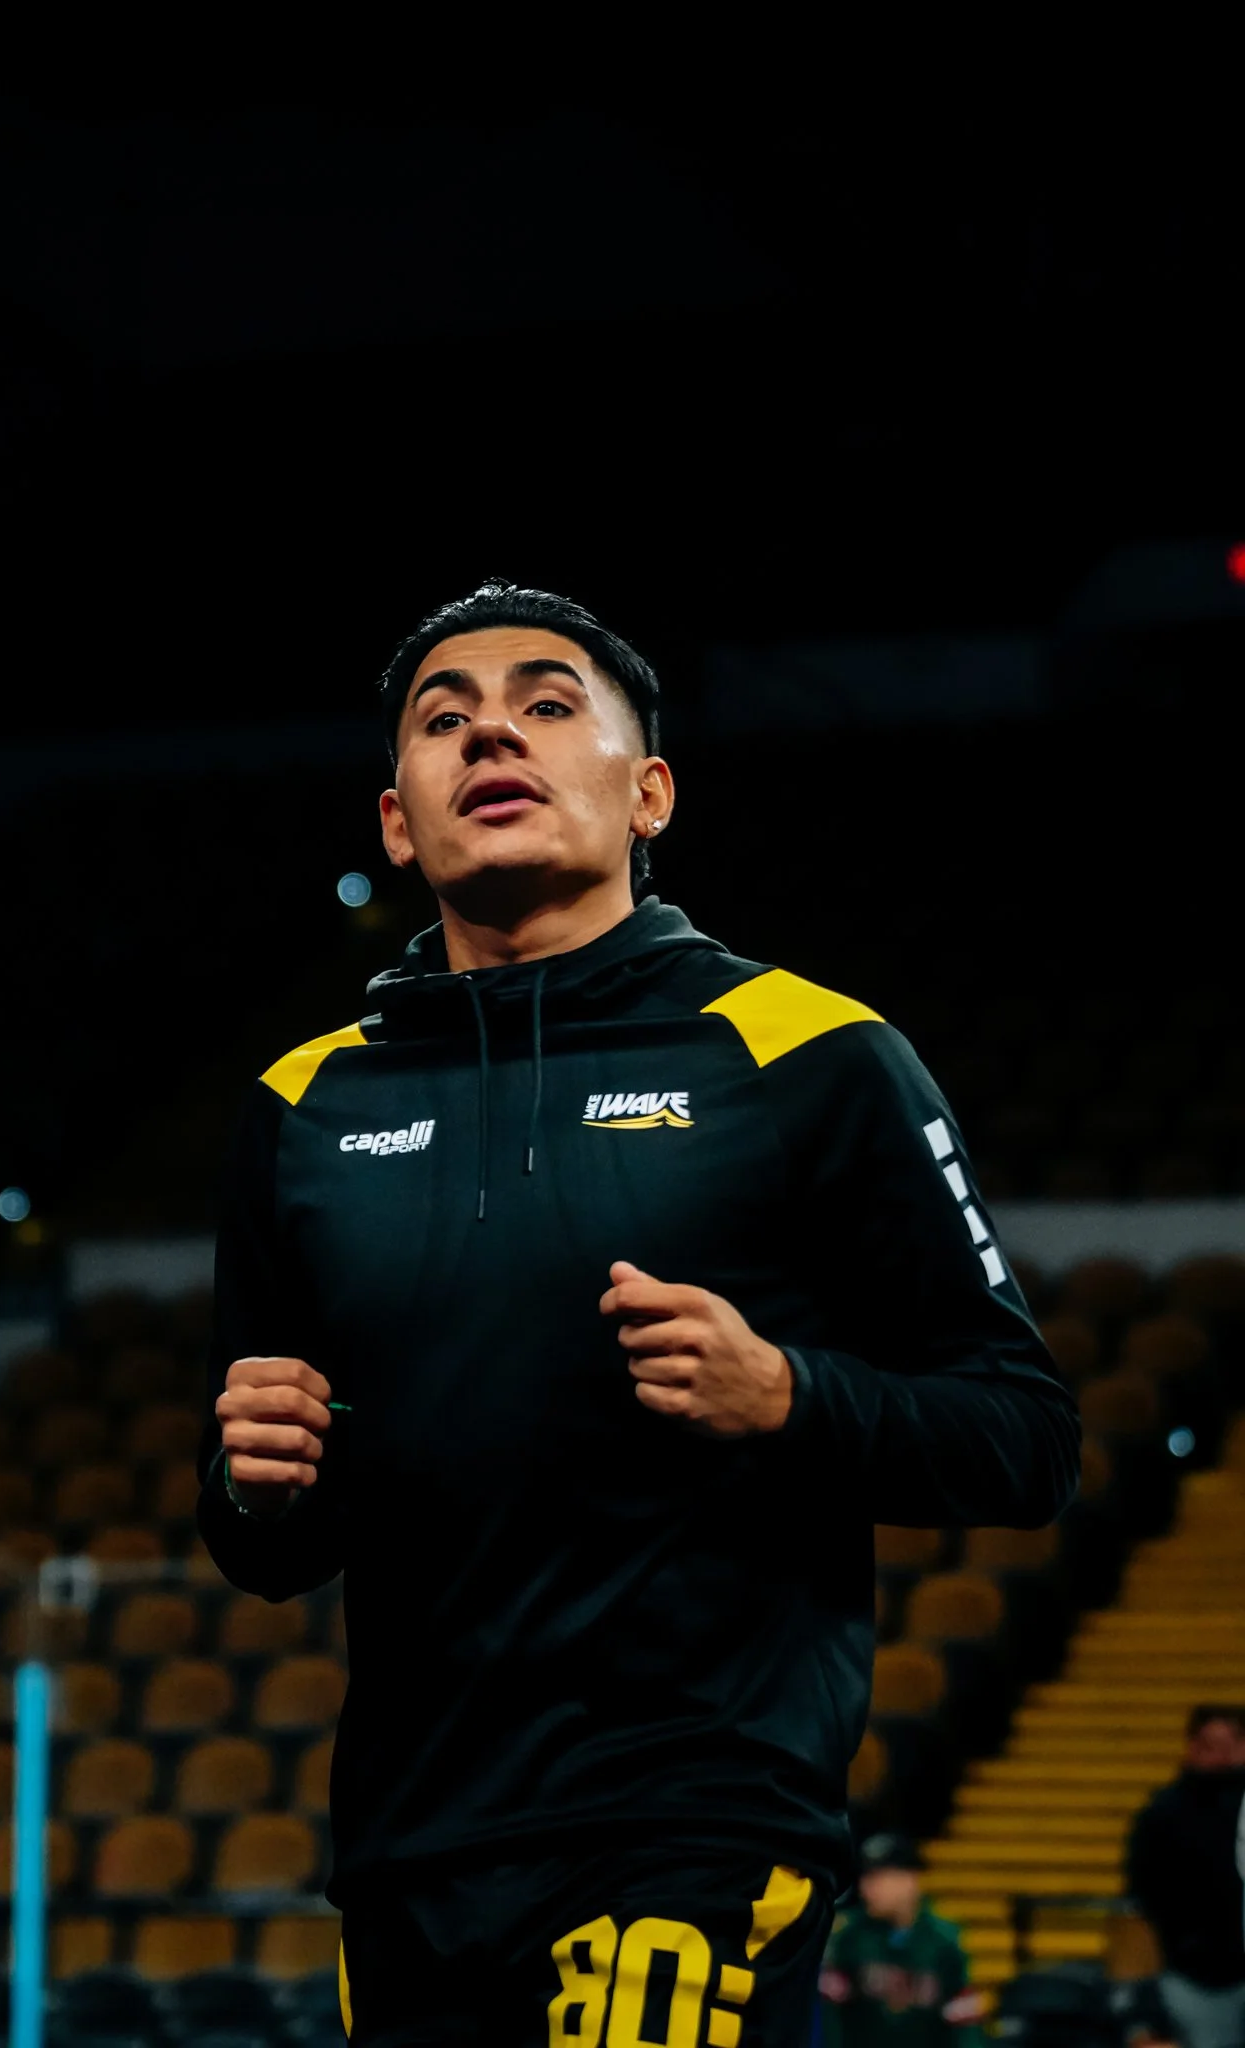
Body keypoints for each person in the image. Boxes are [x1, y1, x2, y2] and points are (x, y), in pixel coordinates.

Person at [195, 581, 1081, 2045]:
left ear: (648, 791)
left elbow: (1025, 1440)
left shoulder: (813, 1054)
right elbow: (265, 1543)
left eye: (549, 704)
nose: (493, 728)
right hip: (411, 1854)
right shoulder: (300, 1104)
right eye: (446, 717)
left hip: (692, 1821)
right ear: (398, 822)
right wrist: (258, 1478)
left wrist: (790, 1396)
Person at [1126, 1704, 1245, 2048]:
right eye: (1212, 1746)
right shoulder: (1163, 1815)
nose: (1223, 1757)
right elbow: (1140, 1905)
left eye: (1231, 1745)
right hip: (1194, 1976)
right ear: (1192, 1746)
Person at [819, 1833, 985, 2044]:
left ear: (909, 1880)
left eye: (878, 1878)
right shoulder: (848, 1935)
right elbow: (830, 2021)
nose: (866, 1888)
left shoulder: (946, 1939)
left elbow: (965, 2028)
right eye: (865, 1877)